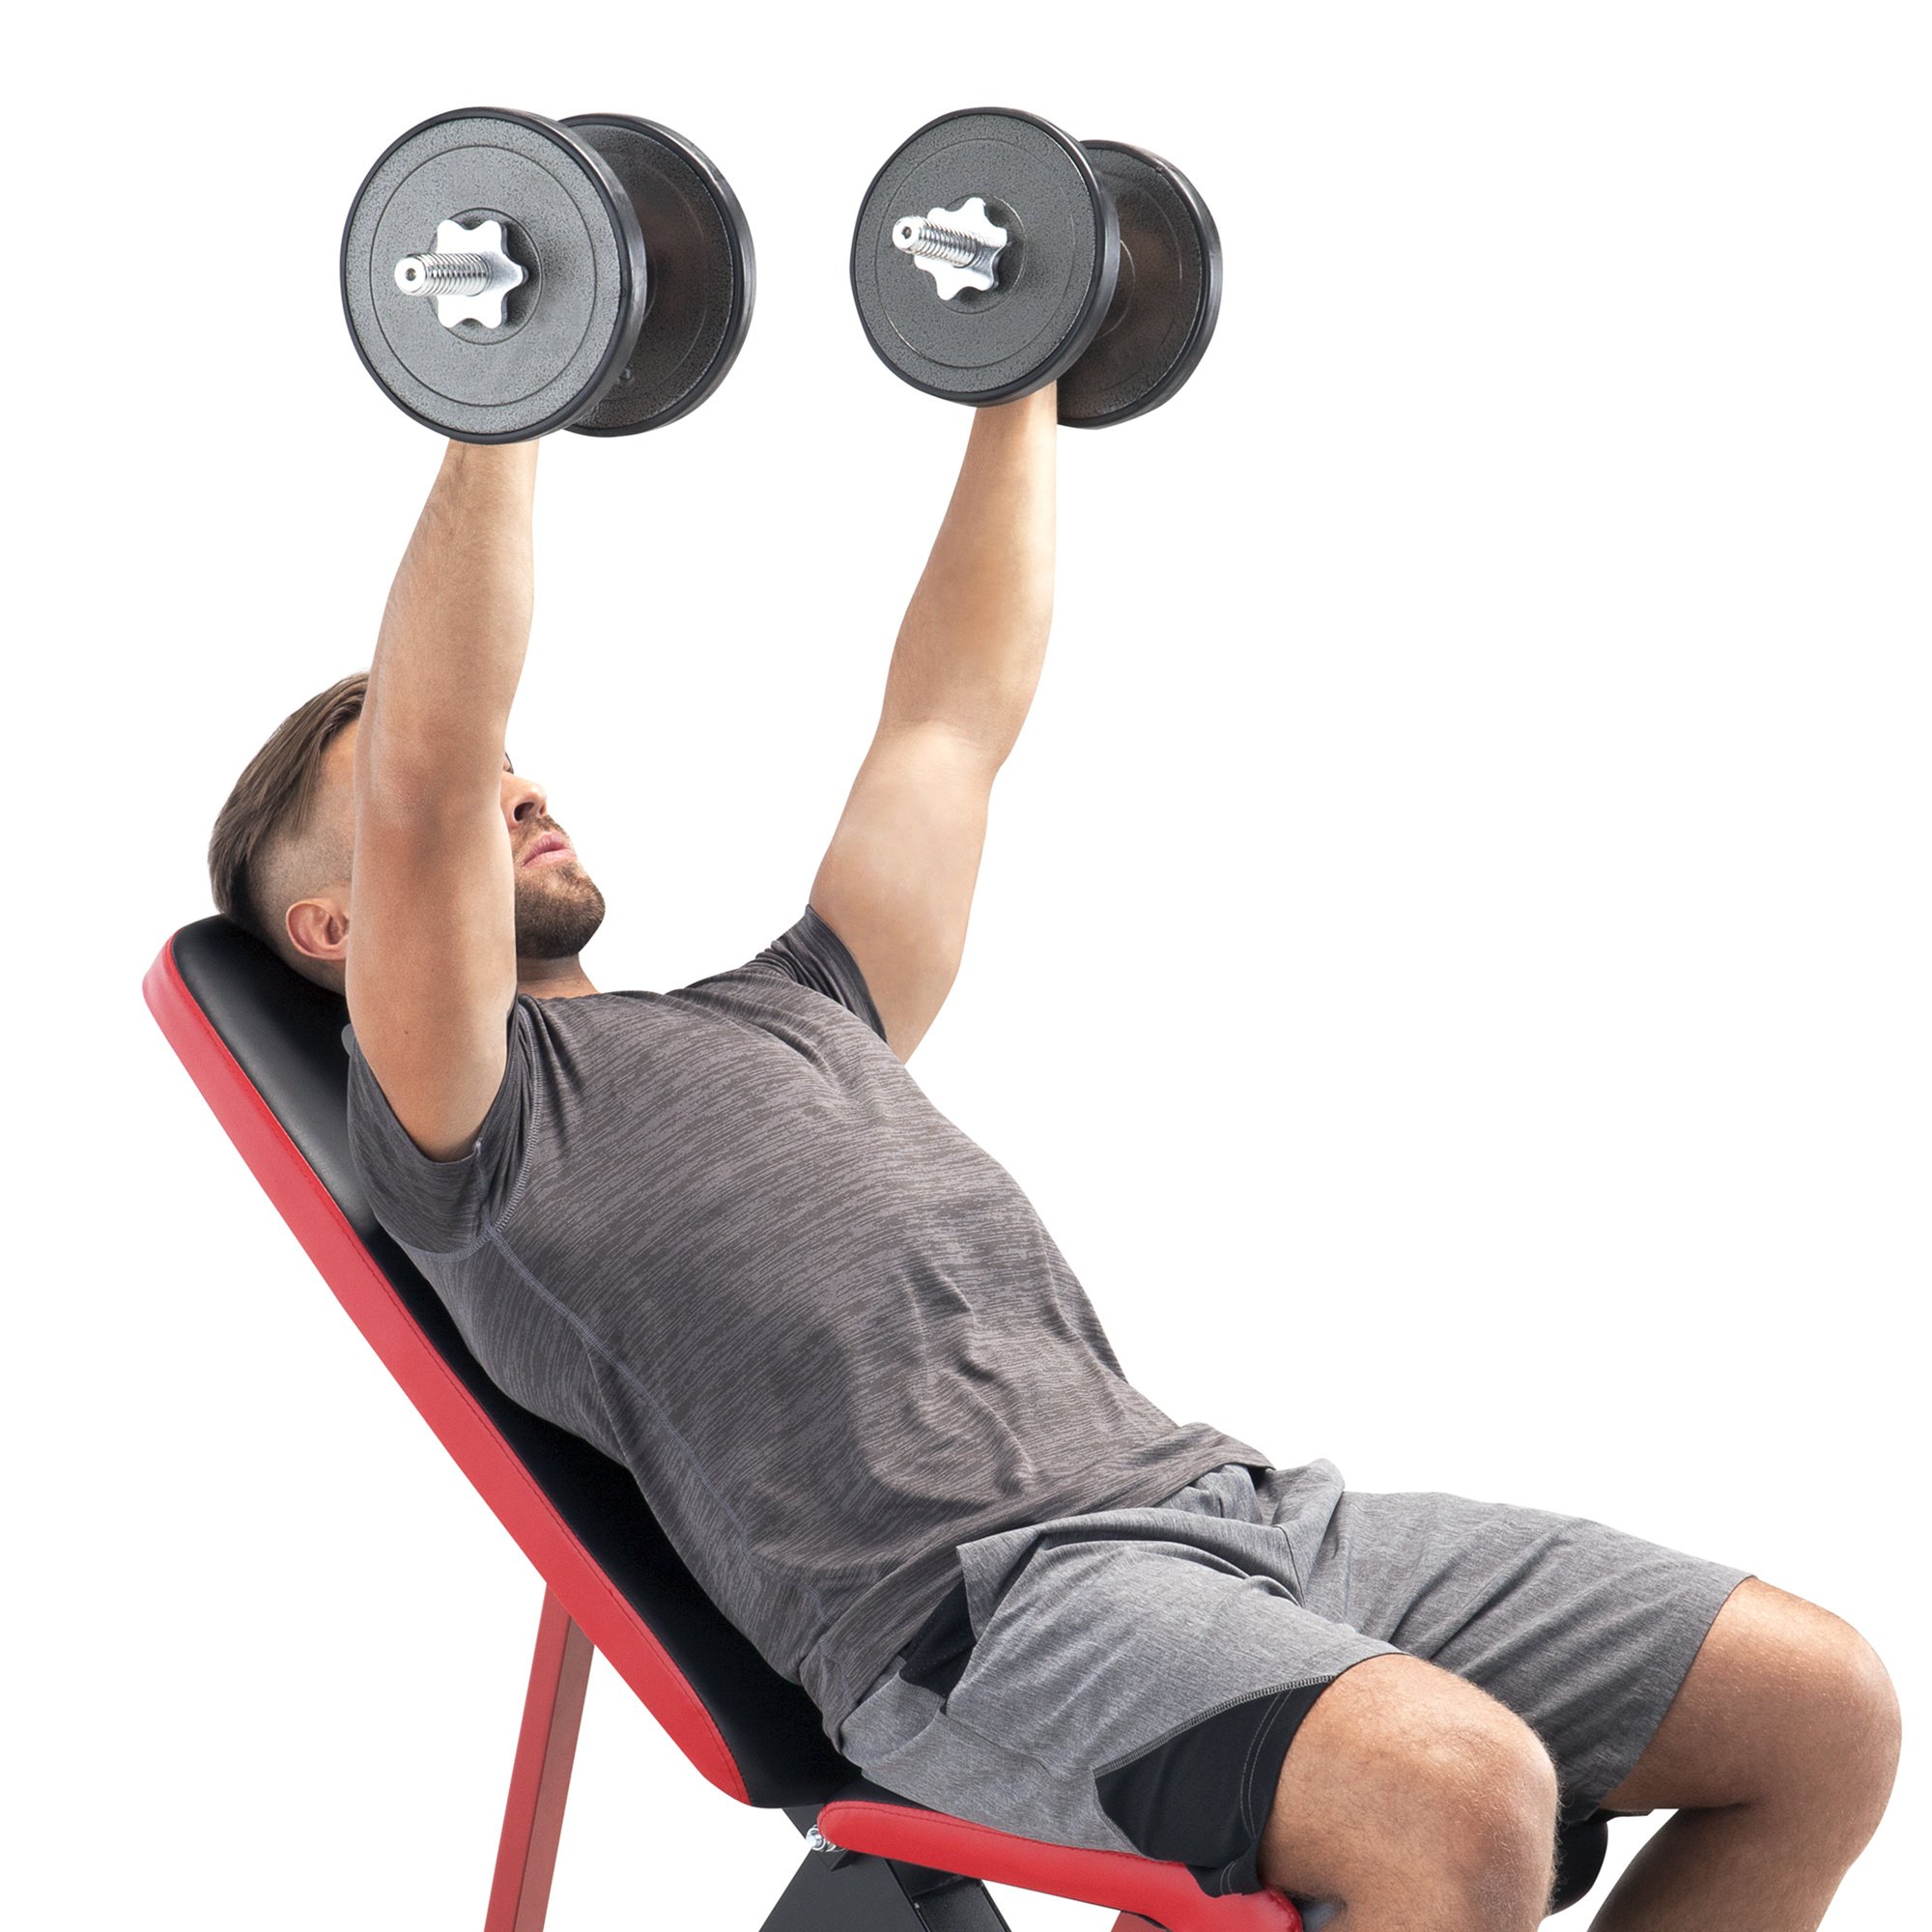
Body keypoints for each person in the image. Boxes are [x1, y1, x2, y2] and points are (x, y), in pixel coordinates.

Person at [207, 392, 1897, 1930]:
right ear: (341, 929)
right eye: (468, 792)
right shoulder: (468, 1121)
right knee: (1456, 1803)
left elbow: (951, 721)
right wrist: (500, 403)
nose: (516, 791)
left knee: (1821, 1712)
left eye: (524, 769)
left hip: (1242, 1516)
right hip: (986, 1624)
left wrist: (1016, 382)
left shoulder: (798, 1005)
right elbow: (428, 770)